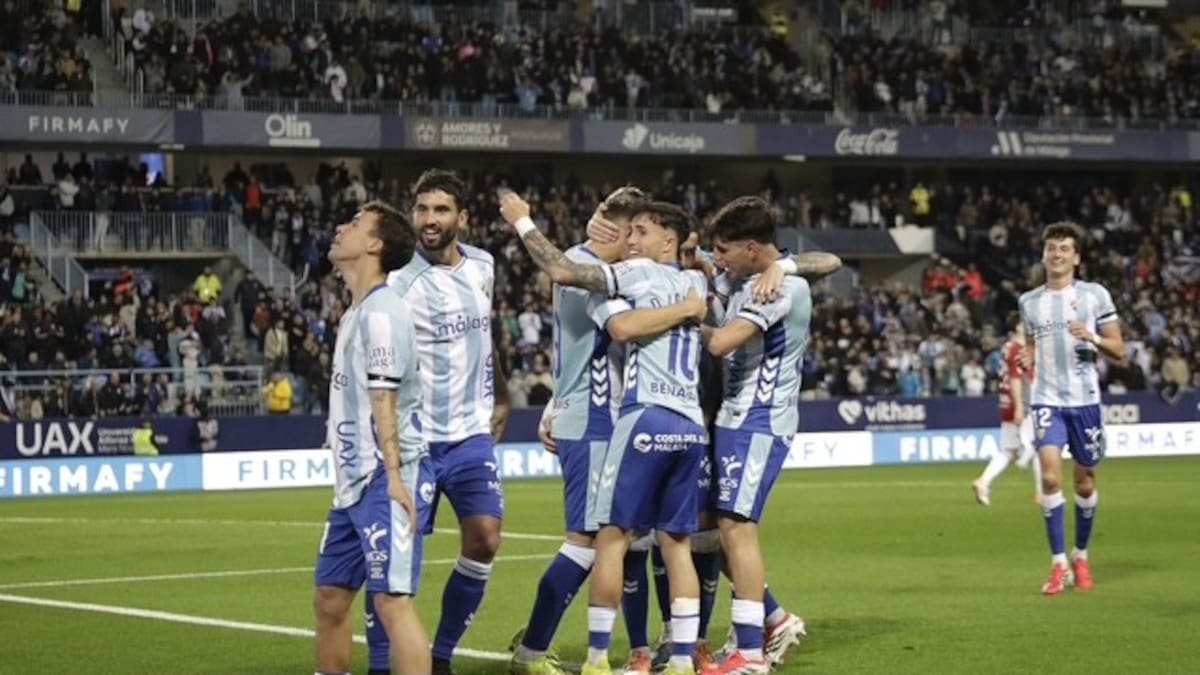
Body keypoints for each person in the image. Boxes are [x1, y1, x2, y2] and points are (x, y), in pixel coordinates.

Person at [504, 196, 710, 675]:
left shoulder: (636, 272)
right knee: (590, 541)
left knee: (626, 541)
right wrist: (688, 307)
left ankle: (598, 646)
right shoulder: (588, 265)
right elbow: (618, 329)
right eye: (603, 217)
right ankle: (536, 648)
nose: (599, 226)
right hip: (600, 419)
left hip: (611, 417)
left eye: (628, 229)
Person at [383, 170, 510, 674]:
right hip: (417, 440)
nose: (429, 220)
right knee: (399, 562)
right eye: (421, 209)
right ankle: (385, 663)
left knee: (485, 538)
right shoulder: (397, 280)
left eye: (440, 210)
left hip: (471, 435)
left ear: (462, 217)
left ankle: (439, 659)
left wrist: (501, 393)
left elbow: (484, 334)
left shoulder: (483, 265)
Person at [697, 197, 826, 674]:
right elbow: (824, 260)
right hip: (734, 420)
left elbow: (720, 342)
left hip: (758, 420)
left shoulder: (777, 289)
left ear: (751, 248)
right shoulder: (751, 276)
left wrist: (675, 315)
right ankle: (773, 617)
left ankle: (749, 655)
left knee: (737, 528)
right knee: (712, 530)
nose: (718, 258)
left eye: (723, 249)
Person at [312, 201, 432, 675]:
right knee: (330, 597)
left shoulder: (382, 313)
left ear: (375, 245)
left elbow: (386, 401)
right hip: (352, 485)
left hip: (385, 477)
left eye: (355, 225)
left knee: (391, 600)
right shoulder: (354, 313)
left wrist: (397, 480)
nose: (341, 229)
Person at [1019, 222, 1124, 596]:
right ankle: (1058, 563)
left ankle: (1081, 554)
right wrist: (1025, 358)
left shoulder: (1095, 296)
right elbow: (1030, 345)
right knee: (1049, 479)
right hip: (1047, 401)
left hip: (1085, 403)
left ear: (1076, 257)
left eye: (1064, 248)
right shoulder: (1029, 301)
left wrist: (1092, 336)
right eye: (1051, 248)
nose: (1057, 254)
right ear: (1044, 254)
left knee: (1084, 482)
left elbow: (1120, 349)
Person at [972, 313, 1041, 507]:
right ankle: (1041, 493)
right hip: (1020, 403)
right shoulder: (1018, 349)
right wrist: (1020, 407)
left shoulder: (1007, 348)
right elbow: (1016, 378)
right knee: (1039, 446)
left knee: (1008, 450)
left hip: (1007, 402)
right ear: (1017, 327)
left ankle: (983, 482)